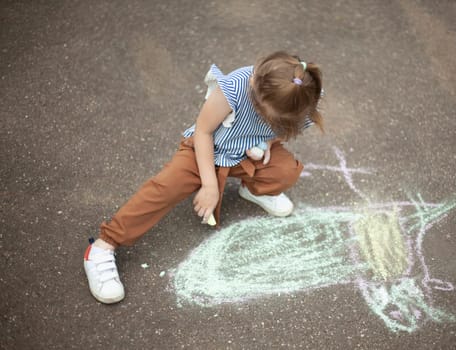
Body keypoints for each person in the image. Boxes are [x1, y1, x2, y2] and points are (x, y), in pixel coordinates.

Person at [83, 51, 324, 304]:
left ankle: (252, 188)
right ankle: (103, 246)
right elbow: (204, 132)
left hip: (246, 152)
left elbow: (283, 130)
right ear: (255, 86)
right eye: (263, 114)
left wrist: (265, 143)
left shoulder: (303, 96)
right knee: (164, 188)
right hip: (207, 148)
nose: (266, 120)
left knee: (284, 171)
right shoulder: (234, 87)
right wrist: (209, 185)